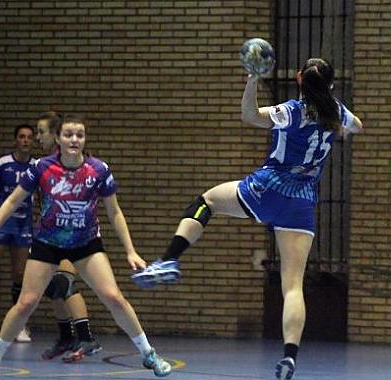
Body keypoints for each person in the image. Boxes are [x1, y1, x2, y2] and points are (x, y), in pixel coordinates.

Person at [130, 57, 363, 380]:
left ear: (298, 79)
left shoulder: (292, 111)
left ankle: (169, 259)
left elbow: (250, 116)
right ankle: (290, 357)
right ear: (332, 85)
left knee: (208, 201)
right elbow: (358, 125)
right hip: (303, 201)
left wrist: (253, 79)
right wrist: (342, 129)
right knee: (292, 285)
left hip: (269, 188)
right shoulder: (336, 111)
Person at [0, 115, 171, 377]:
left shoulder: (98, 170)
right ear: (59, 139)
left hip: (86, 243)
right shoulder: (42, 168)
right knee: (26, 302)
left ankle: (148, 354)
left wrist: (130, 250)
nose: (74, 139)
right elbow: (12, 201)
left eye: (80, 135)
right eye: (69, 135)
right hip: (47, 243)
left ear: (84, 140)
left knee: (114, 297)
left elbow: (115, 213)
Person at [35, 111, 102, 362]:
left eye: (42, 132)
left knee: (64, 282)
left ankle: (86, 337)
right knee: (52, 287)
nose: (38, 137)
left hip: (78, 234)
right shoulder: (44, 166)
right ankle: (66, 337)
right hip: (53, 234)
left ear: (55, 135)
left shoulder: (80, 164)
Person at [0, 124, 36, 343]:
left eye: (29, 137)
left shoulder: (37, 166)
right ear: (15, 140)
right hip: (0, 225)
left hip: (23, 226)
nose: (25, 140)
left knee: (20, 275)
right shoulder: (0, 164)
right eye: (21, 137)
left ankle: (18, 326)